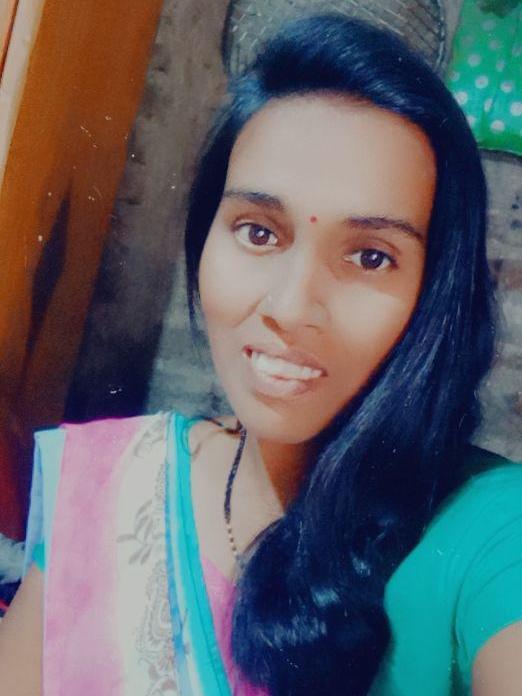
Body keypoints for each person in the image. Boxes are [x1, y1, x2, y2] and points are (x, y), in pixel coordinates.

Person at [0, 13, 521, 696]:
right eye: (258, 232)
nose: (291, 307)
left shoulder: (489, 532)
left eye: (370, 256)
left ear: (435, 293)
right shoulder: (110, 484)